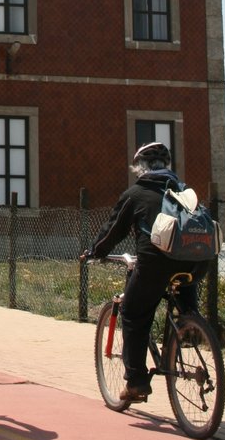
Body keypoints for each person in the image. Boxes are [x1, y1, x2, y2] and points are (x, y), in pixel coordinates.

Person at [82, 140, 208, 402]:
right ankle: (190, 321)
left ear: (139, 167)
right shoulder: (185, 192)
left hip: (154, 264)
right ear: (167, 166)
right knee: (183, 277)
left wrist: (95, 252)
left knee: (132, 312)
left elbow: (113, 231)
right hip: (196, 264)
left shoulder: (136, 194)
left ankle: (136, 382)